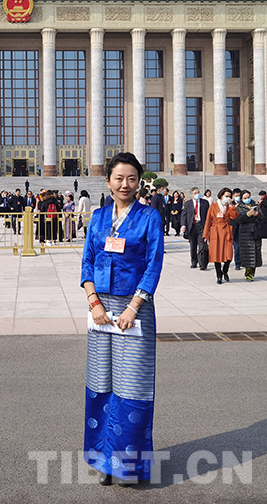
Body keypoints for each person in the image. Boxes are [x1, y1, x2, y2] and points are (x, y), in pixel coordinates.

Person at [81, 152, 164, 486]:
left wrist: (133, 307)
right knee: (101, 382)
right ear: (108, 181)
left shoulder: (149, 217)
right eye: (119, 178)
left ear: (139, 181)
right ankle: (103, 461)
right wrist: (93, 302)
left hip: (135, 308)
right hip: (101, 310)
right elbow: (88, 260)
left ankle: (128, 465)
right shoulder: (98, 217)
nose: (125, 184)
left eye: (131, 178)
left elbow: (154, 263)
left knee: (132, 386)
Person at [203, 188, 239, 284]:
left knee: (228, 254)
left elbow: (234, 216)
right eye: (226, 196)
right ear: (221, 196)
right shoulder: (213, 206)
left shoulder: (230, 206)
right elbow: (208, 221)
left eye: (229, 196)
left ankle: (225, 270)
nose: (228, 198)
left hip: (227, 231)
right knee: (216, 254)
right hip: (216, 231)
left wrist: (231, 205)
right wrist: (206, 234)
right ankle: (219, 275)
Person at [236, 190, 264, 281]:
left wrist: (257, 214)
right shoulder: (239, 207)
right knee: (247, 254)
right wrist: (247, 214)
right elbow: (239, 220)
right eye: (245, 198)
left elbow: (262, 218)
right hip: (245, 233)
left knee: (256, 252)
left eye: (248, 197)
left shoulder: (256, 205)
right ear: (241, 199)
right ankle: (248, 273)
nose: (247, 199)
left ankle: (252, 272)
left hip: (255, 232)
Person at [180, 187, 209, 269]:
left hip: (201, 226)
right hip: (192, 226)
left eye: (198, 192)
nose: (197, 194)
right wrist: (183, 225)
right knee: (193, 245)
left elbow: (208, 215)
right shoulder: (188, 203)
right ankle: (194, 262)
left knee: (202, 245)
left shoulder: (205, 203)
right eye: (195, 193)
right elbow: (184, 215)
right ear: (192, 195)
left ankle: (201, 263)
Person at [231, 188, 242, 270]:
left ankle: (243, 262)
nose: (238, 197)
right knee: (237, 246)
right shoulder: (230, 204)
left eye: (239, 195)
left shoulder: (243, 203)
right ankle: (237, 263)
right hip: (234, 228)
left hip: (243, 227)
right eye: (236, 195)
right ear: (233, 196)